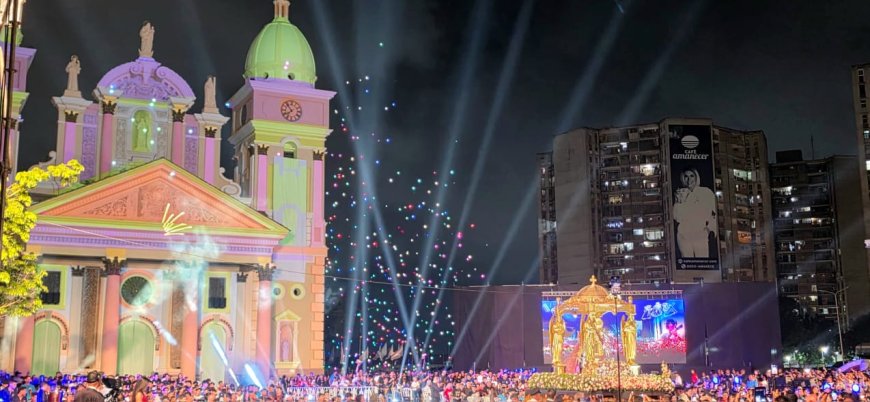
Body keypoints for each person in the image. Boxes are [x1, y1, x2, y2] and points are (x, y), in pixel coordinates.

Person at [673, 167, 717, 258]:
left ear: (696, 177)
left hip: (700, 234)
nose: (689, 179)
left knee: (703, 262)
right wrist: (679, 202)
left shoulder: (706, 192)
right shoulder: (681, 193)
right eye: (686, 176)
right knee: (688, 262)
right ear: (683, 178)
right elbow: (677, 217)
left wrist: (711, 229)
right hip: (683, 235)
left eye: (692, 176)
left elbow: (714, 212)